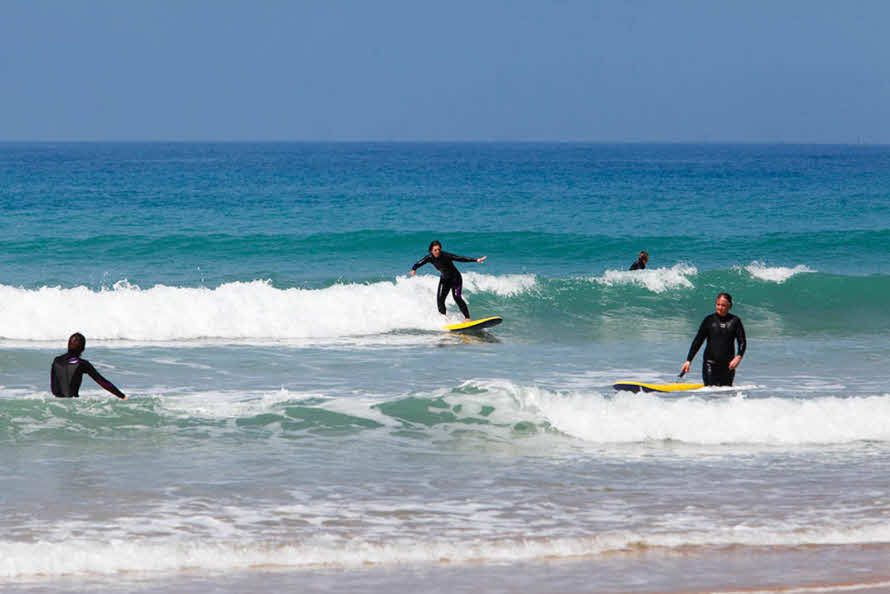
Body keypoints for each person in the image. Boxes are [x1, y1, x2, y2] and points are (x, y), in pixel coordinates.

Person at [680, 293, 746, 386]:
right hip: (710, 364)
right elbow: (698, 341)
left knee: (725, 393)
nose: (720, 307)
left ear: (730, 306)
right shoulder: (709, 320)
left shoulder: (735, 321)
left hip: (728, 366)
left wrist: (738, 357)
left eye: (723, 305)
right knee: (711, 392)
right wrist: (688, 360)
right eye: (718, 304)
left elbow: (742, 341)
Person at [410, 240, 487, 321]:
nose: (437, 251)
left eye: (439, 249)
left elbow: (460, 258)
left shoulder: (446, 255)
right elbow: (419, 263)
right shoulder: (429, 258)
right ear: (431, 250)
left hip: (456, 279)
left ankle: (467, 318)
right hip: (444, 280)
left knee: (457, 297)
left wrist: (476, 260)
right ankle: (444, 320)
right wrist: (414, 269)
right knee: (440, 300)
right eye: (435, 250)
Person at [50, 332, 127, 399]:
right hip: (71, 402)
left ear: (68, 345)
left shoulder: (56, 360)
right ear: (83, 349)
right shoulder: (82, 364)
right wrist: (122, 396)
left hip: (55, 402)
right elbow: (103, 382)